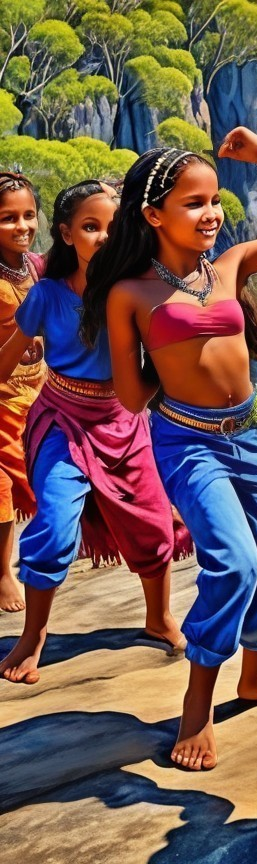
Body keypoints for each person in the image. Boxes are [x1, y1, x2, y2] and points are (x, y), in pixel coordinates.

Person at [80, 129, 257, 771]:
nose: (212, 213)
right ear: (153, 215)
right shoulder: (130, 293)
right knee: (235, 566)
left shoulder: (232, 265)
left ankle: (254, 676)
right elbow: (132, 398)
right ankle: (198, 710)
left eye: (215, 200)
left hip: (253, 432)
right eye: (194, 203)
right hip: (189, 443)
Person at [0, 180, 189, 684]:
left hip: (124, 422)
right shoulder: (46, 295)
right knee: (55, 525)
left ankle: (159, 616)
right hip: (62, 419)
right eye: (90, 227)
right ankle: (33, 635)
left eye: (112, 227)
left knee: (152, 522)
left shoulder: (137, 288)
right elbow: (10, 354)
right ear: (65, 235)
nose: (104, 237)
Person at [0, 171, 47, 613]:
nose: (22, 226)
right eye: (8, 218)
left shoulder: (32, 266)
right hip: (2, 394)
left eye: (29, 215)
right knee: (3, 485)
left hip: (39, 387)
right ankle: (2, 571)